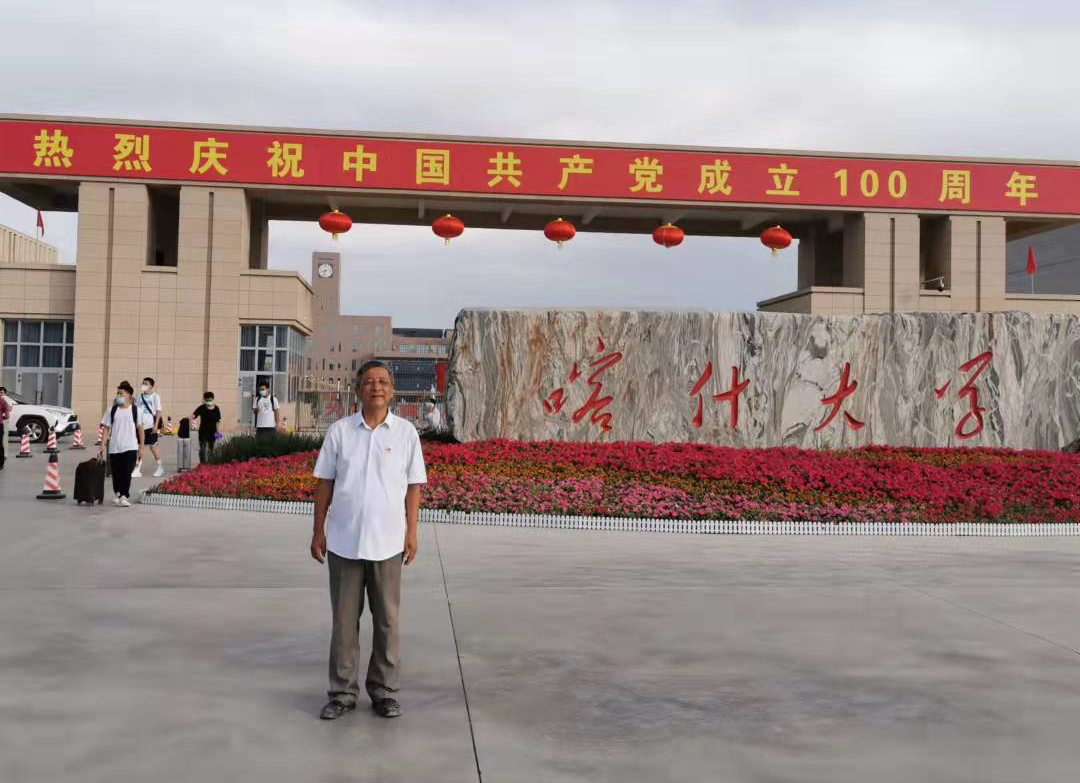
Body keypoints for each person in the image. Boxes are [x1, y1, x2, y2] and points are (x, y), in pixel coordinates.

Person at [311, 360, 427, 721]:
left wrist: (412, 531)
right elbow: (325, 483)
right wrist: (318, 530)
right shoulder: (340, 432)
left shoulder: (405, 433)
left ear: (392, 391)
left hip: (388, 543)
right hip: (344, 542)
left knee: (387, 620)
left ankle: (385, 691)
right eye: (370, 381)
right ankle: (342, 692)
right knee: (344, 622)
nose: (377, 387)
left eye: (383, 382)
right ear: (358, 389)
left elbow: (414, 486)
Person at [98, 381, 145, 507]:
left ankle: (124, 496)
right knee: (116, 474)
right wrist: (102, 444)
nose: (118, 396)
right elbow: (106, 428)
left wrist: (141, 446)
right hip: (114, 447)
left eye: (121, 394)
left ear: (129, 395)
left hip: (130, 447)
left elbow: (140, 429)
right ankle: (118, 493)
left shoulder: (136, 410)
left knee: (126, 473)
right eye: (117, 393)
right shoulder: (111, 410)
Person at [132, 377, 164, 478]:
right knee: (140, 446)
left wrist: (156, 425)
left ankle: (160, 467)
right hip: (140, 426)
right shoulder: (139, 397)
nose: (143, 385)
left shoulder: (155, 396)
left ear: (151, 386)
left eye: (146, 383)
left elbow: (158, 411)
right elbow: (136, 410)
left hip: (151, 425)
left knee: (153, 447)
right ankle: (137, 469)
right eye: (143, 383)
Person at [191, 392, 222, 464]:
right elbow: (194, 415)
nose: (209, 402)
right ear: (204, 400)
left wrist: (217, 431)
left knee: (211, 449)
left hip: (213, 432)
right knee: (202, 449)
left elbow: (218, 421)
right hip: (203, 431)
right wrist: (189, 418)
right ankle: (203, 464)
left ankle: (210, 463)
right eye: (207, 400)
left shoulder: (216, 409)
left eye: (210, 400)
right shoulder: (202, 408)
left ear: (213, 399)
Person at [0, 386, 11, 471]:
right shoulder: (3, 401)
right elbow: (7, 415)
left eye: (2, 392)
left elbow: (7, 414)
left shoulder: (4, 401)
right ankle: (1, 464)